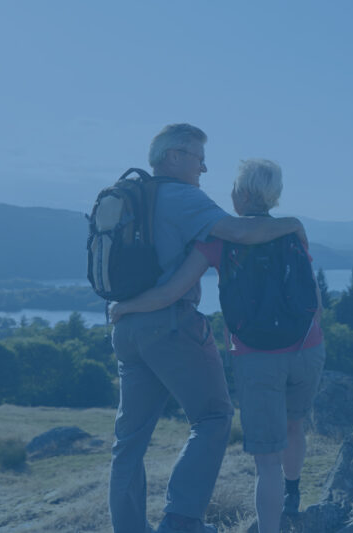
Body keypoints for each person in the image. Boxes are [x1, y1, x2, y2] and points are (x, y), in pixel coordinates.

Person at [109, 125, 308, 533]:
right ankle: (181, 523)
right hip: (170, 325)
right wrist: (292, 223)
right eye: (199, 158)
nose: (204, 167)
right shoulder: (182, 196)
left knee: (128, 442)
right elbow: (240, 231)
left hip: (126, 328)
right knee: (214, 416)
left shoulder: (133, 195)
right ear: (175, 156)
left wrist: (124, 306)